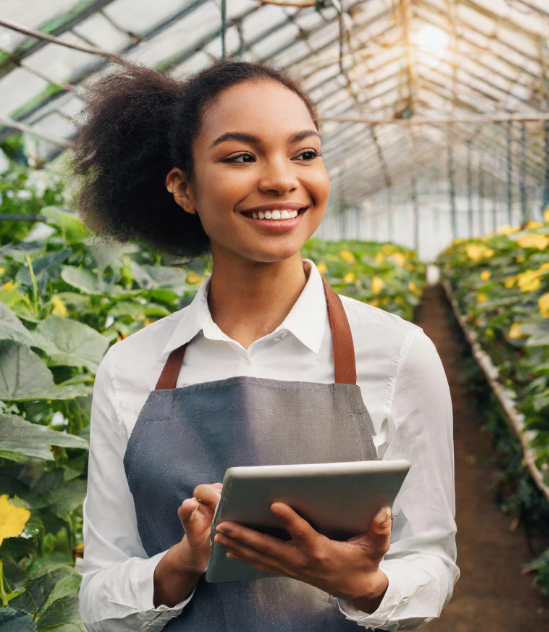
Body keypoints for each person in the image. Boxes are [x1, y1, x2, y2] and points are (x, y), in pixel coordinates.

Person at [71, 59, 458, 631]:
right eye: (241, 157)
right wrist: (182, 562)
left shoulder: (400, 354)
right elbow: (99, 595)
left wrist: (365, 584)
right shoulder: (130, 368)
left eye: (304, 153)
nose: (281, 179)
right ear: (182, 187)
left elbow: (432, 563)